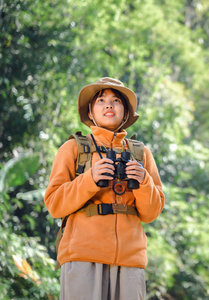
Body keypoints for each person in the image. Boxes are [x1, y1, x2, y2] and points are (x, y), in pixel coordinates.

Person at [44, 77, 165, 299]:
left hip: (130, 262)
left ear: (126, 112)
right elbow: (54, 204)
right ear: (90, 112)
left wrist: (144, 182)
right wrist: (90, 179)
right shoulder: (72, 149)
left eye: (116, 100)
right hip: (82, 258)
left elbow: (151, 213)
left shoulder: (142, 154)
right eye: (101, 100)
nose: (108, 105)